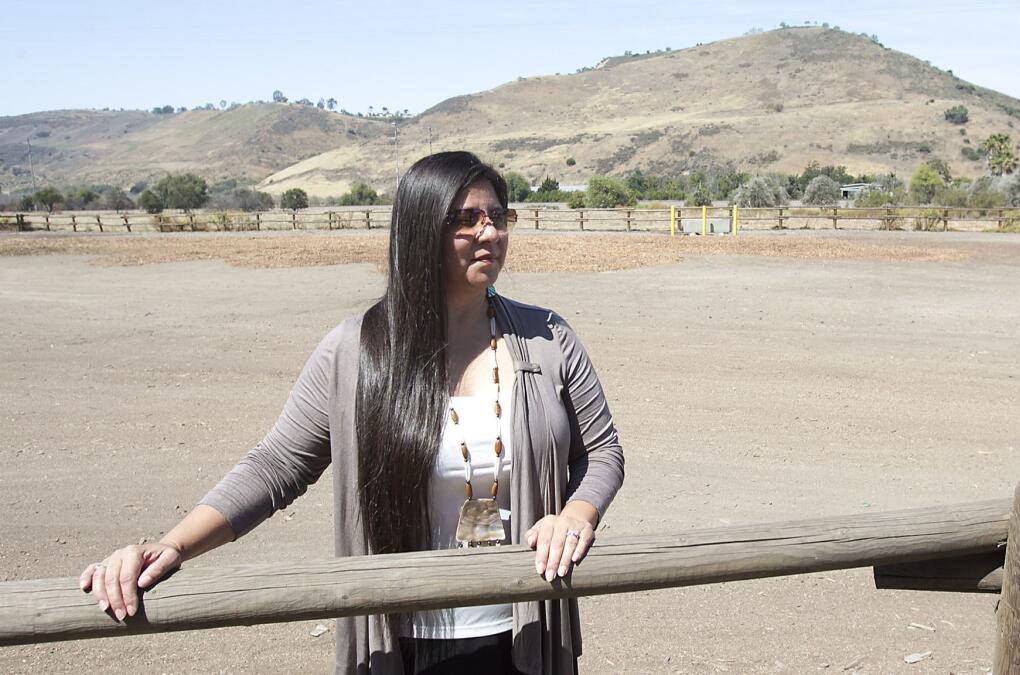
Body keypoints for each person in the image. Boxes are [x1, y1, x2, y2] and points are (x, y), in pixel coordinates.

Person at [79, 151, 625, 674]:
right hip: (402, 635)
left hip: (523, 626)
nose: (491, 233)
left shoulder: (545, 338)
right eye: (467, 219)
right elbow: (277, 466)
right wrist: (173, 543)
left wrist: (576, 516)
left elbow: (602, 452)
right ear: (419, 231)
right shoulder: (354, 353)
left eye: (498, 216)